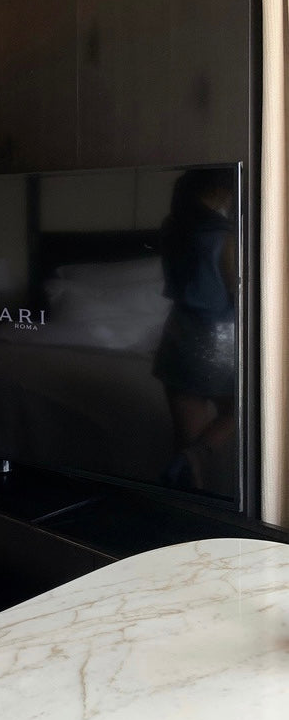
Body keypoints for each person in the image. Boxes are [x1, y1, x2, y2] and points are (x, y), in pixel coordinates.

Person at [152, 168, 238, 491]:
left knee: (186, 435)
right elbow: (237, 294)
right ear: (216, 192)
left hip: (178, 337)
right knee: (243, 408)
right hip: (216, 342)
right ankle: (196, 456)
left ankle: (186, 488)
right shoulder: (224, 237)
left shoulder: (172, 230)